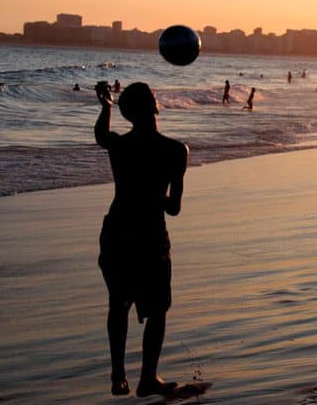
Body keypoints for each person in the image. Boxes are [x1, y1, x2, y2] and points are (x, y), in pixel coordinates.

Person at [94, 82, 188, 397]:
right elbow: (173, 208)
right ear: (156, 106)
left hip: (118, 230)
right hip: (150, 234)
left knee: (118, 303)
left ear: (127, 113)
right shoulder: (176, 150)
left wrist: (105, 105)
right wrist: (154, 194)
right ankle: (148, 377)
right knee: (158, 309)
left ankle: (118, 376)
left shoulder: (120, 147)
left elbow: (101, 136)